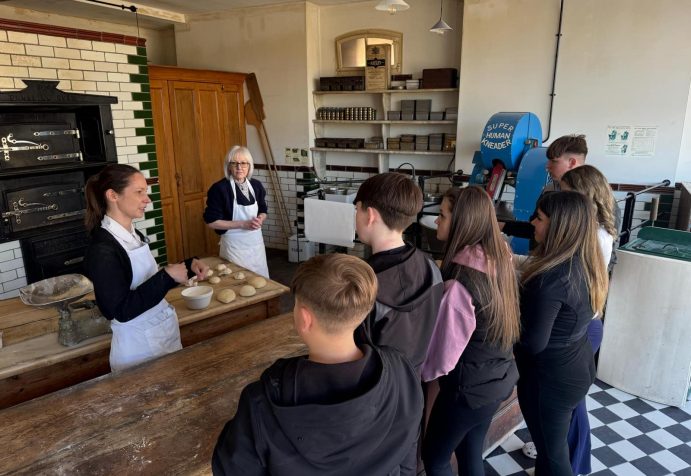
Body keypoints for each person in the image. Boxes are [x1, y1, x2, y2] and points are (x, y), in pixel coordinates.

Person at [212, 253, 424, 476]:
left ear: (305, 319)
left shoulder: (262, 403)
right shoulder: (401, 370)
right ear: (363, 313)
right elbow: (409, 446)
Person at [420, 186, 520, 476]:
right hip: (496, 379)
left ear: (462, 222)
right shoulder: (500, 256)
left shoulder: (460, 284)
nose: (437, 221)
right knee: (469, 451)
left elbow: (441, 359)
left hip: (466, 389)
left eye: (442, 215)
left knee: (435, 458)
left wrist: (416, 374)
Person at [515, 191, 608, 475]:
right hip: (577, 364)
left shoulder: (551, 278)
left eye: (539, 218)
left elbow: (532, 343)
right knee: (551, 449)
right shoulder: (586, 263)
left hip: (550, 379)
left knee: (554, 455)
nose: (533, 222)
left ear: (559, 226)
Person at [84, 164, 208, 372]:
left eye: (146, 192)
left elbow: (145, 279)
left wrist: (187, 266)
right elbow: (119, 311)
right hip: (138, 349)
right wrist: (166, 278)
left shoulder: (133, 235)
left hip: (161, 334)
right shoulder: (103, 249)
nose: (147, 200)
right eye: (139, 192)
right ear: (113, 195)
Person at [353, 172, 444, 374]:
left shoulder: (362, 285)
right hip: (413, 387)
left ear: (370, 215)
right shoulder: (431, 268)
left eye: (356, 208)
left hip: (375, 393)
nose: (355, 215)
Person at [501, 134, 588, 239]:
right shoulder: (550, 189)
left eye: (553, 161)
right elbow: (535, 227)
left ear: (572, 163)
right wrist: (502, 226)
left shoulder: (588, 197)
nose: (547, 166)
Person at [204, 146, 269, 278]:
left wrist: (261, 219)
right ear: (229, 166)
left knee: (261, 281)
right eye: (234, 163)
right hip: (234, 248)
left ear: (249, 166)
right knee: (236, 282)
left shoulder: (256, 186)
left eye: (243, 163)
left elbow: (263, 209)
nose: (239, 167)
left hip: (256, 246)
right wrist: (242, 224)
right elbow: (211, 222)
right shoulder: (219, 189)